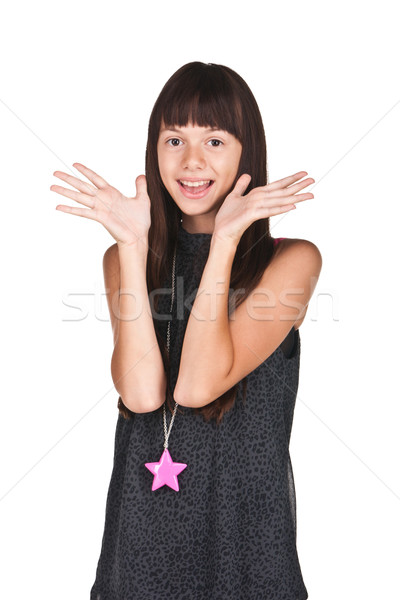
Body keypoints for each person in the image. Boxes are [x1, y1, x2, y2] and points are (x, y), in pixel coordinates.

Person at [51, 61, 322, 599]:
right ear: (154, 151)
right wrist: (130, 245)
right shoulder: (124, 259)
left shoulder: (290, 261)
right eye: (174, 139)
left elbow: (199, 385)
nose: (191, 161)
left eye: (215, 141)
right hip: (146, 534)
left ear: (248, 153)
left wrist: (224, 242)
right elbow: (142, 393)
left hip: (243, 536)